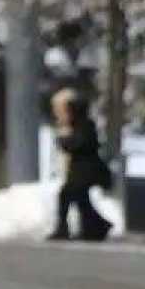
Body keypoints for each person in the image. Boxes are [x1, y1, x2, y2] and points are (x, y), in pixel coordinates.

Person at [49, 89, 112, 241]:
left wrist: (64, 141)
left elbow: (79, 144)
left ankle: (64, 228)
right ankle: (98, 227)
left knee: (66, 195)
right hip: (82, 171)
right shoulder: (77, 124)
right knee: (80, 200)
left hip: (87, 171)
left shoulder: (84, 125)